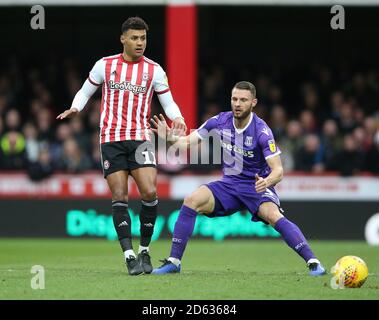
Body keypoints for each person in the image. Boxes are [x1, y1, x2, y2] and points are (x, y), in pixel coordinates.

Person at [150, 81, 326, 276]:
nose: (238, 104)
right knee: (191, 201)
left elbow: (279, 171)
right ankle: (174, 262)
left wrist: (266, 182)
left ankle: (314, 262)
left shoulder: (261, 131)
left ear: (253, 103)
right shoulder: (219, 121)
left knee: (274, 216)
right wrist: (169, 137)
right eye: (234, 99)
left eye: (243, 100)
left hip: (256, 185)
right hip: (230, 184)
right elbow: (186, 144)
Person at [57, 17, 187, 275]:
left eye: (144, 38)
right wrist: (75, 107)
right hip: (111, 138)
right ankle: (129, 256)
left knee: (149, 192)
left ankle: (145, 250)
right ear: (123, 39)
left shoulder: (154, 70)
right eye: (135, 38)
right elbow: (85, 91)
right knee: (120, 196)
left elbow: (168, 101)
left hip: (140, 137)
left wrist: (179, 118)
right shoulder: (104, 65)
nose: (140, 43)